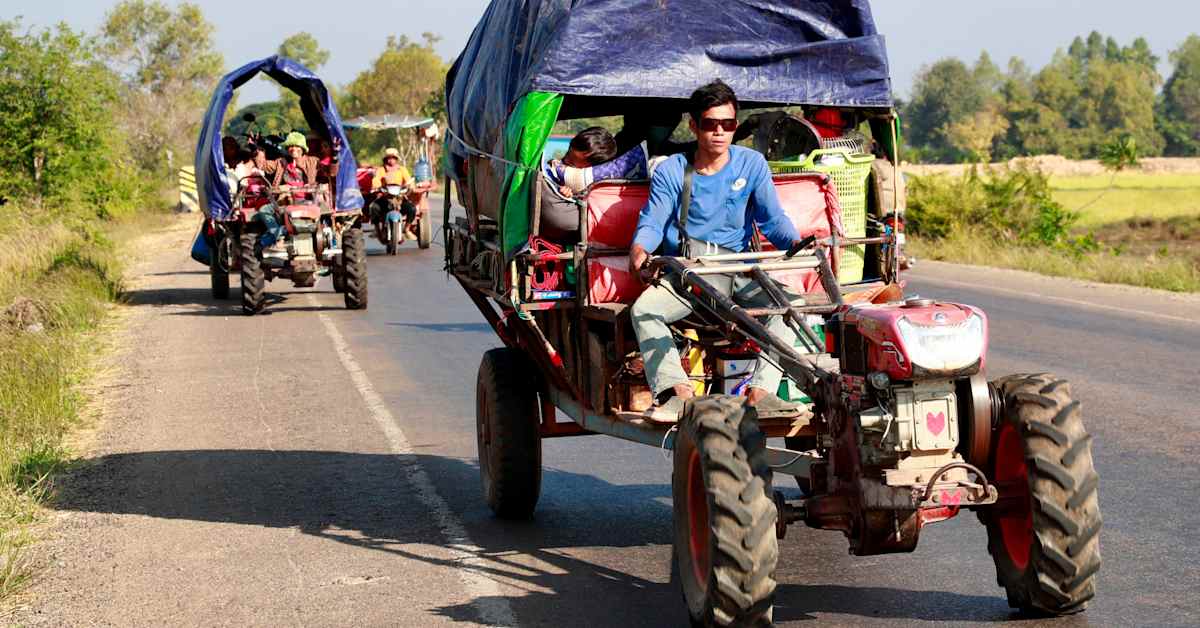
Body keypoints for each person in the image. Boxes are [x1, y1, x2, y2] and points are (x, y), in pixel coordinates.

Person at [628, 79, 808, 422]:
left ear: (735, 126)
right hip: (688, 275)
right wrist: (639, 251)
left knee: (794, 308)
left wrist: (798, 244)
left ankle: (760, 392)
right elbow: (652, 222)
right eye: (710, 124)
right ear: (694, 126)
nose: (719, 132)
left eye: (727, 124)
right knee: (644, 311)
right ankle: (675, 393)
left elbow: (774, 222)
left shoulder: (752, 164)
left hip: (738, 271)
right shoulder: (673, 170)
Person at [539, 127, 648, 241]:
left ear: (590, 169)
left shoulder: (597, 184)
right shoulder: (555, 171)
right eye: (567, 155)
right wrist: (561, 191)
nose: (565, 163)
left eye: (572, 162)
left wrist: (573, 195)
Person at [369, 147, 417, 229]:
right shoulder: (381, 170)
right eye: (389, 158)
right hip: (385, 196)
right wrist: (376, 187)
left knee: (412, 209)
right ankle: (377, 229)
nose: (391, 160)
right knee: (373, 208)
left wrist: (411, 186)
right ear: (386, 159)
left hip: (399, 197)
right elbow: (376, 180)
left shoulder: (402, 169)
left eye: (393, 158)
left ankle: (407, 228)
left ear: (396, 159)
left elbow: (409, 180)